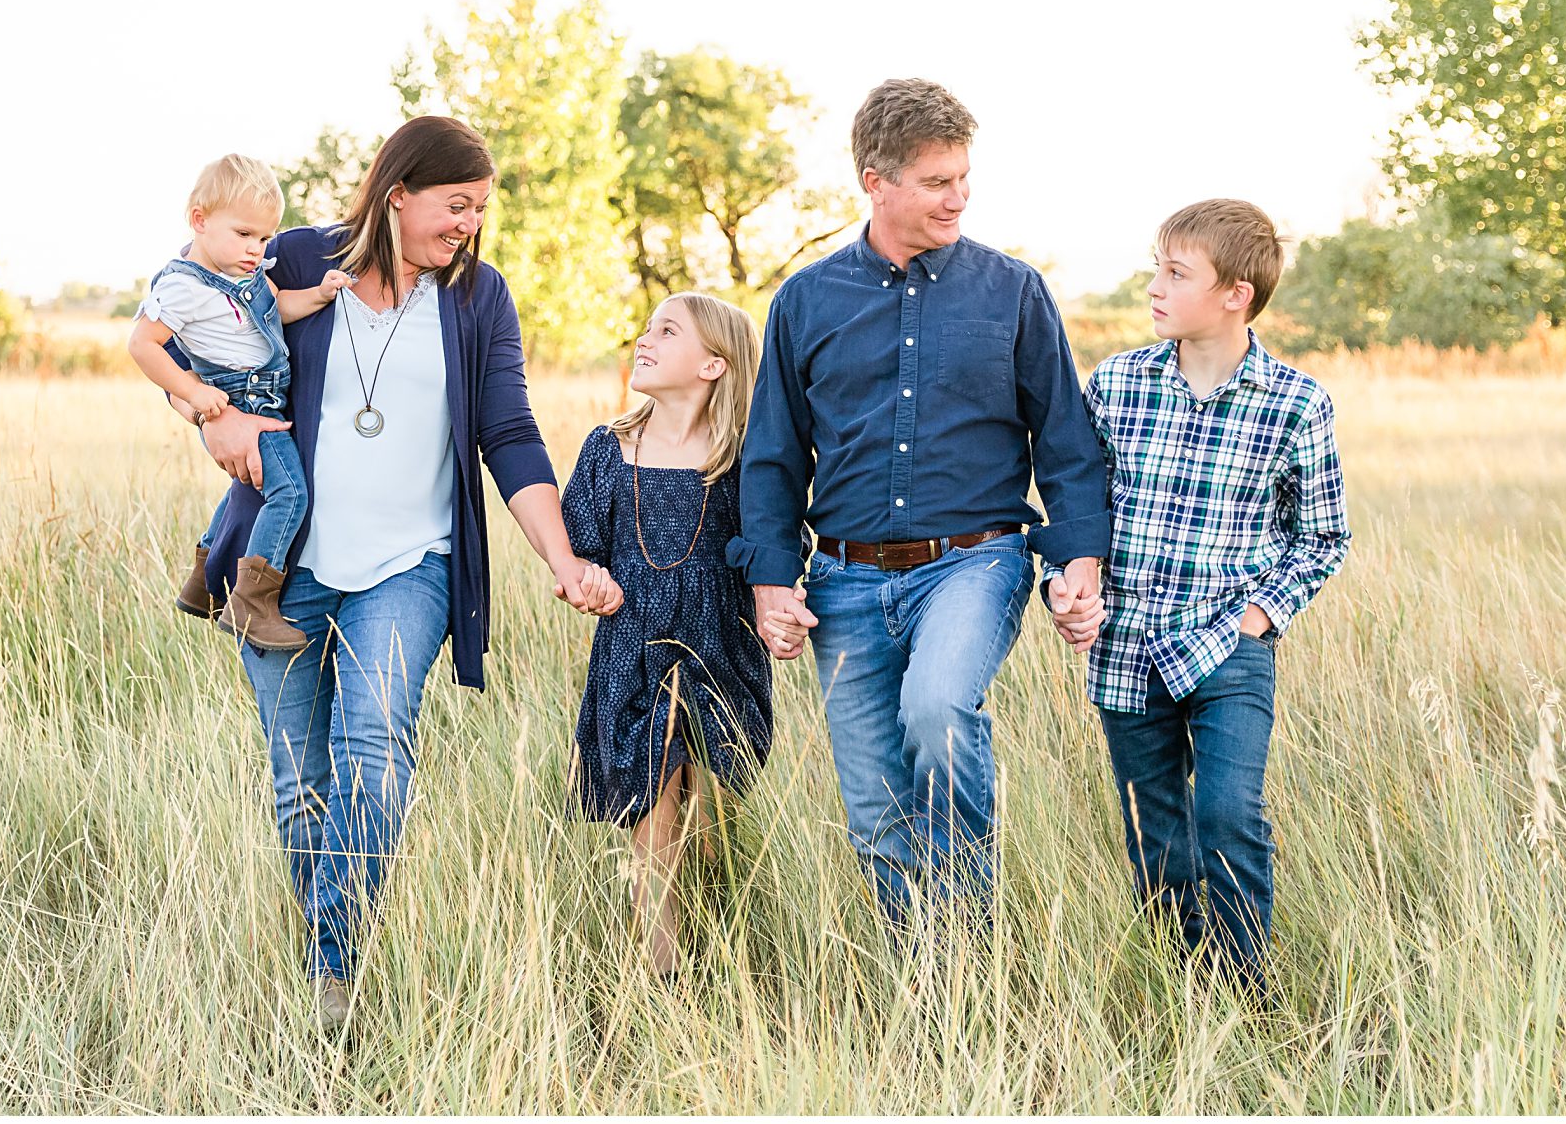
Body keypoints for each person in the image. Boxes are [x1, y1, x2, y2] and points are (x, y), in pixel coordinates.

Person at [168, 116, 623, 1033]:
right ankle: (321, 950)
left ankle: (336, 968)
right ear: (397, 193)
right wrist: (207, 418)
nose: (469, 225)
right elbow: (185, 326)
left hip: (412, 564)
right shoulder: (295, 257)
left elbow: (510, 435)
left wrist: (564, 557)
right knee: (300, 776)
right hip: (282, 563)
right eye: (455, 205)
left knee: (375, 753)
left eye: (480, 210)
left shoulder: (478, 299)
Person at [732, 78, 1111, 933]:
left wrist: (1078, 563)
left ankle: (970, 946)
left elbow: (1065, 443)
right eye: (937, 181)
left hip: (976, 564)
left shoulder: (1011, 291)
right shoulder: (805, 302)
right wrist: (769, 581)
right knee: (873, 811)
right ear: (877, 180)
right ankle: (924, 988)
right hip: (843, 582)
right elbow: (774, 457)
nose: (959, 197)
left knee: (938, 709)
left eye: (964, 177)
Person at [1046, 198, 1350, 999]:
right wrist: (1069, 580)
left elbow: (1323, 537)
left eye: (1176, 274)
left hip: (1227, 646)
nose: (1154, 286)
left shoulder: (1294, 403)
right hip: (1128, 646)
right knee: (1157, 834)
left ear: (1235, 294)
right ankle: (1188, 987)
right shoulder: (1116, 383)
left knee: (1226, 814)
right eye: (1157, 267)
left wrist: (1257, 618)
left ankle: (1246, 993)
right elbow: (1079, 507)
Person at [560, 292, 772, 981]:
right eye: (646, 327)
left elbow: (773, 546)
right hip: (634, 647)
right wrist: (585, 581)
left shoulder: (745, 459)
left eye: (666, 331)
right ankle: (660, 976)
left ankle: (729, 956)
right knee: (650, 815)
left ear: (714, 364)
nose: (644, 340)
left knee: (711, 831)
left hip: (721, 650)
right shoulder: (608, 450)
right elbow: (579, 551)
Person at [128, 154, 352, 649]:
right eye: (244, 234)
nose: (256, 249)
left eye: (265, 238)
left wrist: (319, 293)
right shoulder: (184, 285)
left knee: (249, 487)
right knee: (289, 493)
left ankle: (205, 579)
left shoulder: (246, 275)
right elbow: (143, 345)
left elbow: (278, 312)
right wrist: (194, 393)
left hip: (267, 397)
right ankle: (253, 601)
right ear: (200, 221)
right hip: (242, 400)